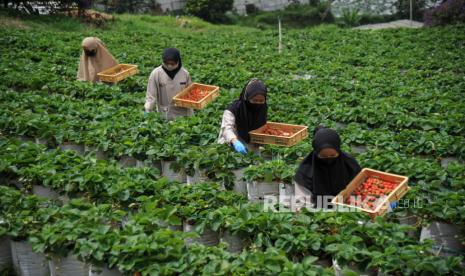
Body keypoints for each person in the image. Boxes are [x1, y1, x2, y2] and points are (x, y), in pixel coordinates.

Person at [294, 126, 361, 205]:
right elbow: (303, 202)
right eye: (323, 156)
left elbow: (359, 187)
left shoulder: (349, 164)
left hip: (346, 205)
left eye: (332, 155)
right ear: (316, 153)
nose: (328, 159)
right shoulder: (306, 170)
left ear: (338, 150)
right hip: (318, 210)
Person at [218, 78, 267, 154]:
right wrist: (235, 142)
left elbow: (261, 128)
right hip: (231, 143)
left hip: (251, 143)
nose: (258, 103)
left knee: (254, 161)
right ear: (247, 98)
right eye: (254, 100)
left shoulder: (262, 109)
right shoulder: (233, 110)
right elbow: (227, 129)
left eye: (261, 101)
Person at [145, 48, 193, 120]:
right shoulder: (156, 73)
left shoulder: (184, 73)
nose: (169, 66)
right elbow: (151, 95)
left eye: (172, 63)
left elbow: (190, 93)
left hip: (184, 113)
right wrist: (148, 109)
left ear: (178, 61)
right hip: (166, 113)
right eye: (167, 63)